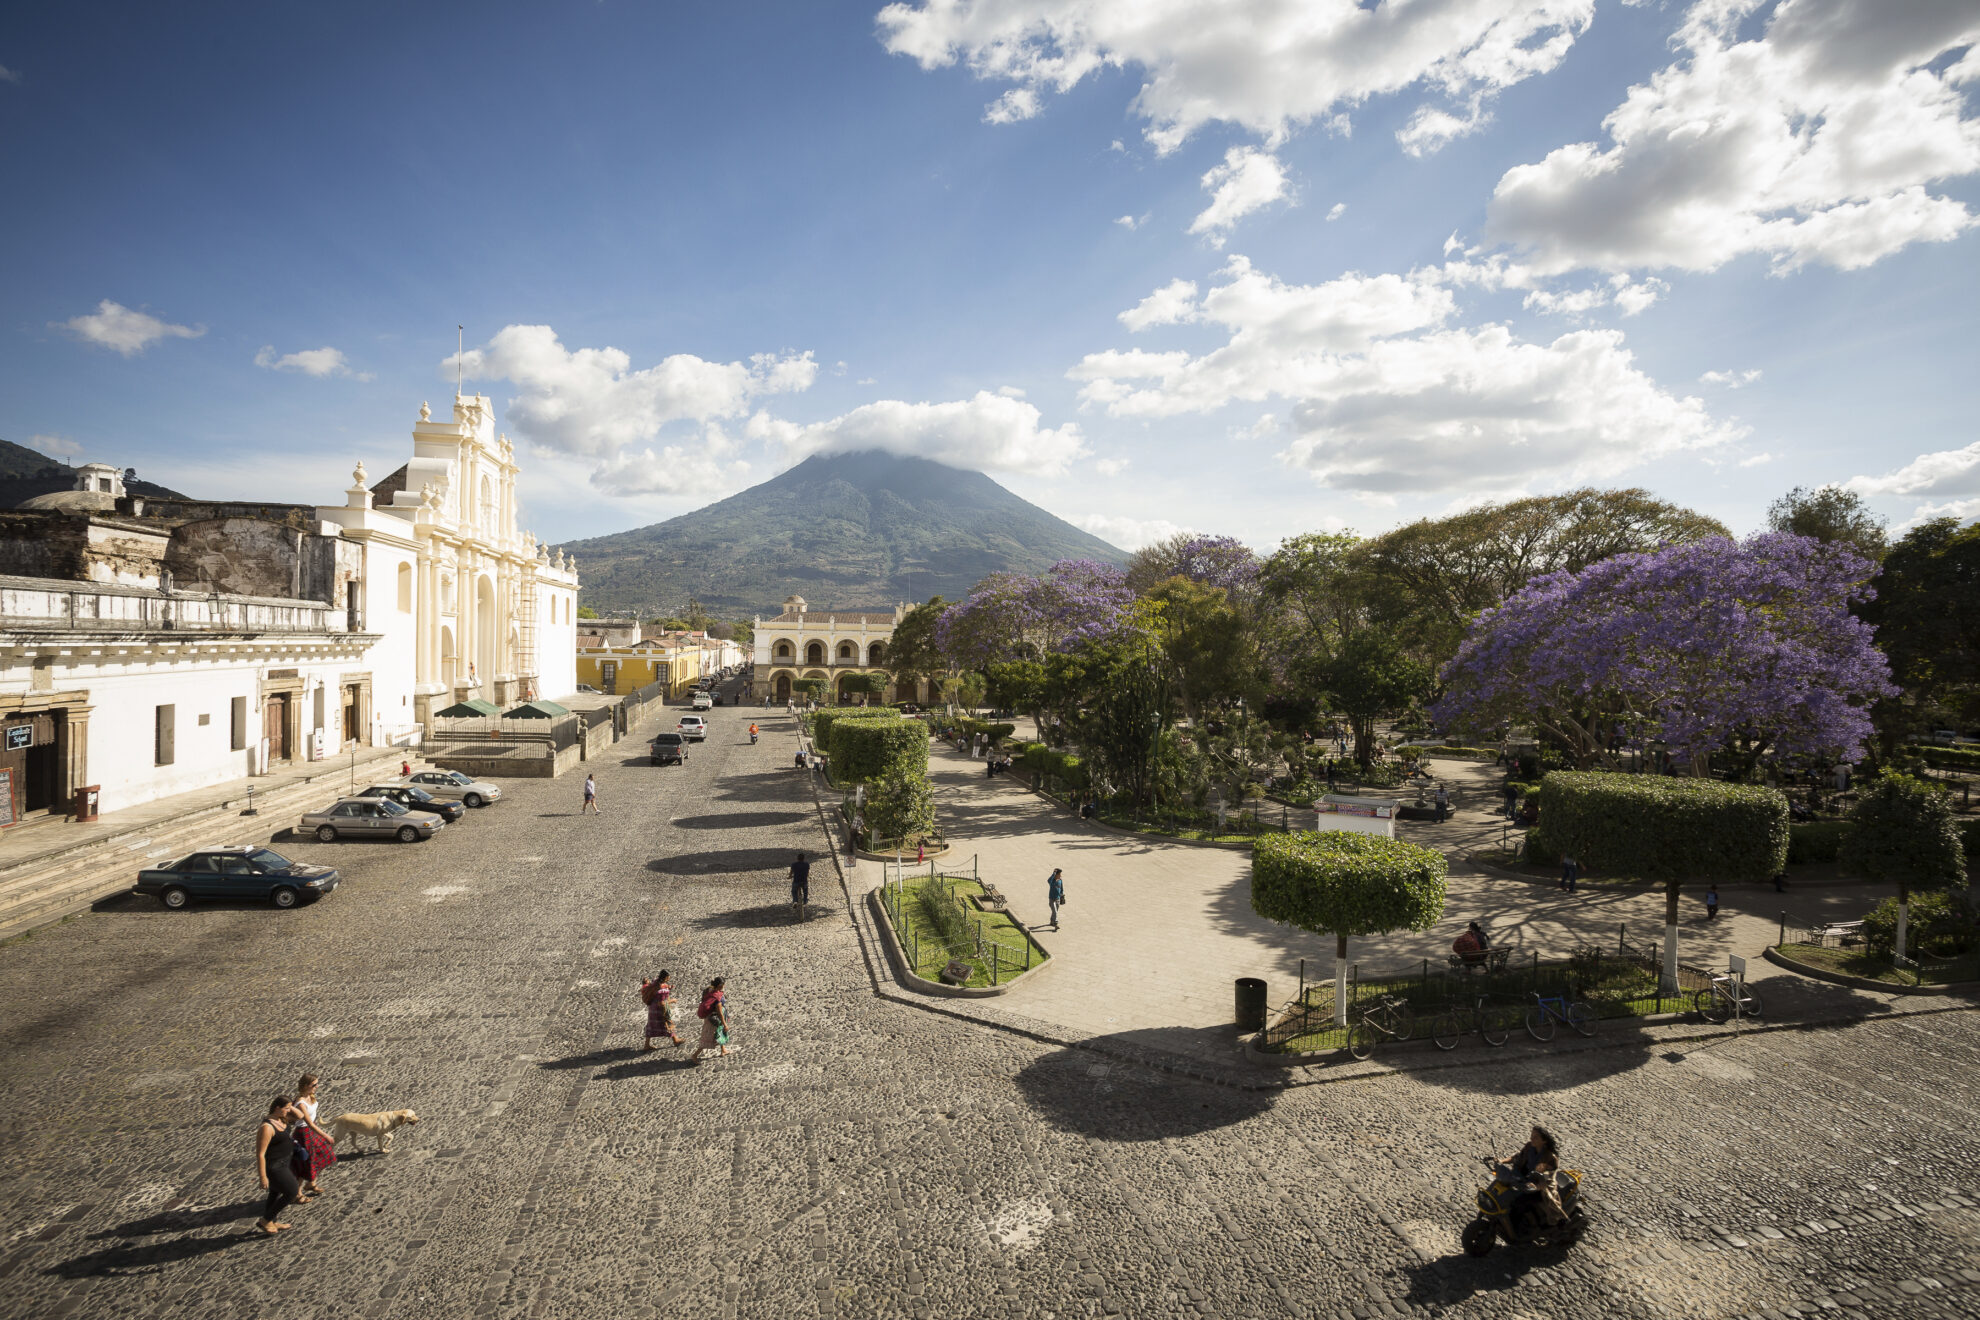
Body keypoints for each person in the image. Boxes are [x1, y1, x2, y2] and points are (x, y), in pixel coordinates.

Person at [255, 1096, 302, 1235]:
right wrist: (262, 1176)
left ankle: (272, 1221)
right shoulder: (267, 1127)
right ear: (277, 1108)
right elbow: (260, 1154)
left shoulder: (282, 1119)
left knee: (275, 1193)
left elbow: (300, 1116)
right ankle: (266, 1220)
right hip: (275, 1167)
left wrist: (288, 1106)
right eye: (286, 1108)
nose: (289, 1111)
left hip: (285, 1162)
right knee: (292, 1191)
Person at [291, 1074, 337, 1198]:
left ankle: (311, 1182)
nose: (317, 1086)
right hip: (304, 1134)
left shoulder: (310, 1096)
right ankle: (297, 1193)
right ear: (306, 1086)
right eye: (314, 1085)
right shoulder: (300, 1102)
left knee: (323, 1154)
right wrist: (326, 1135)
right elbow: (309, 1123)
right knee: (305, 1162)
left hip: (312, 1131)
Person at [689, 977, 732, 1062]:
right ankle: (695, 1055)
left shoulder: (709, 990)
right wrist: (725, 1024)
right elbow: (720, 1013)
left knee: (720, 1033)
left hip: (710, 1016)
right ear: (720, 985)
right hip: (714, 1019)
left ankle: (723, 1050)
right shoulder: (717, 998)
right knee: (708, 1037)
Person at [640, 971, 682, 1049]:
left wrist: (669, 987)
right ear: (665, 977)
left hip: (653, 1009)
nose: (669, 978)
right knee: (668, 1023)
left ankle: (646, 1045)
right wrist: (672, 1000)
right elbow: (662, 1002)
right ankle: (675, 1040)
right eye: (668, 977)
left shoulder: (656, 982)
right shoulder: (661, 989)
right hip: (659, 1009)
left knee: (652, 1025)